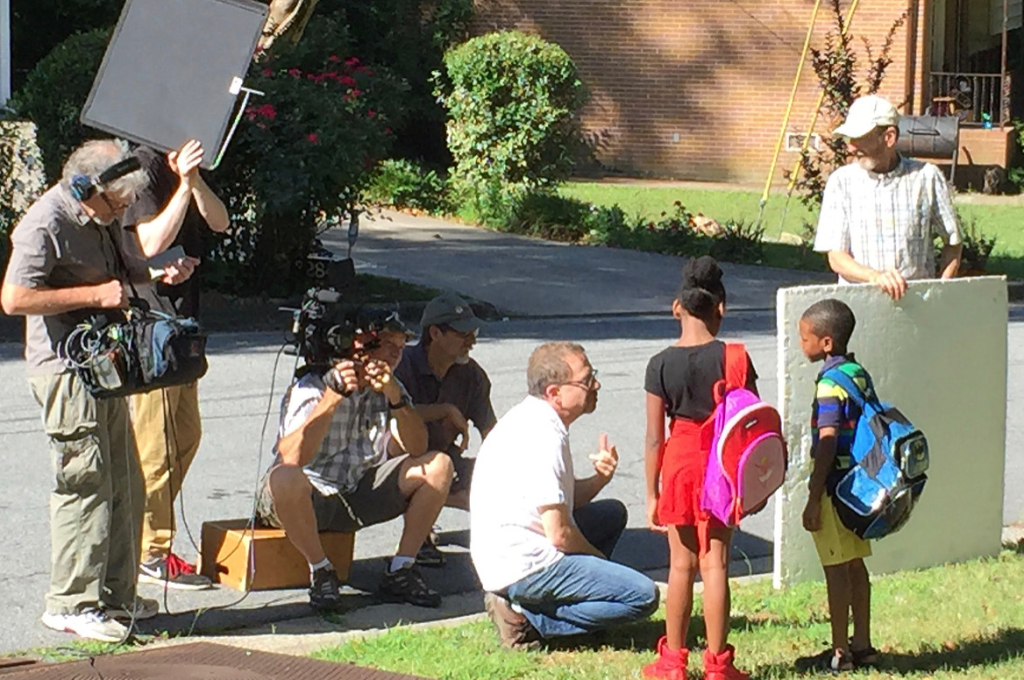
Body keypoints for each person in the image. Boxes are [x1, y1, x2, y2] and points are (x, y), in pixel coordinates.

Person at [1, 139, 197, 642]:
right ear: (88, 186)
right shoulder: (45, 223)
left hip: (106, 366)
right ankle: (70, 602)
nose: (125, 210)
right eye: (119, 202)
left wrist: (158, 270)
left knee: (124, 483)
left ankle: (116, 595)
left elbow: (124, 271)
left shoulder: (104, 215)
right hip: (65, 372)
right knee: (84, 486)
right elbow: (14, 298)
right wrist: (93, 295)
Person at [255, 312, 454, 612]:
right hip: (308, 495)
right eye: (387, 344)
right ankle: (321, 570)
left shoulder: (391, 387)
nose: (395, 355)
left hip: (356, 490)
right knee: (284, 477)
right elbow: (291, 457)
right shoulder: (314, 384)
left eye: (401, 348)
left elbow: (417, 447)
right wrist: (332, 398)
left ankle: (401, 568)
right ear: (359, 344)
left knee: (438, 465)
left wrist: (396, 399)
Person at [470, 341, 659, 649]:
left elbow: (566, 501)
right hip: (522, 565)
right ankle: (529, 619)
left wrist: (600, 478)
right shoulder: (544, 436)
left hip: (506, 556)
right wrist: (599, 561)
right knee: (642, 596)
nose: (596, 385)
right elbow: (559, 534)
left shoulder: (536, 419)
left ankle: (549, 607)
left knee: (611, 514)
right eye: (586, 380)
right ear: (554, 393)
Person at [122, 139, 229, 590]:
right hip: (150, 329)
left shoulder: (183, 167)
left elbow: (219, 223)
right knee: (155, 448)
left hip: (182, 327)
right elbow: (147, 243)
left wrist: (194, 181)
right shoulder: (143, 166)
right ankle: (149, 553)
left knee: (186, 434)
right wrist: (182, 187)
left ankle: (146, 542)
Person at [642, 256, 756, 680]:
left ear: (677, 308)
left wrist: (652, 492)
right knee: (716, 564)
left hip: (680, 461)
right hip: (721, 463)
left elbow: (654, 436)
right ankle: (719, 666)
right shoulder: (736, 357)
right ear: (721, 308)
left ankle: (672, 662)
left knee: (680, 565)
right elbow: (752, 423)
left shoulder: (659, 364)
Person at [795, 299, 879, 673]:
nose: (802, 344)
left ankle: (840, 652)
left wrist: (814, 496)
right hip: (859, 487)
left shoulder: (829, 385)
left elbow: (826, 441)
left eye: (805, 338)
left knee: (835, 570)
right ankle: (863, 644)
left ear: (826, 342)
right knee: (857, 565)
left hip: (834, 490)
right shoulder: (857, 372)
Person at [814, 95, 962, 300]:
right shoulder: (841, 182)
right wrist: (875, 277)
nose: (850, 147)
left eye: (859, 138)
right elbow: (837, 258)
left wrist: (940, 292)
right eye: (850, 139)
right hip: (859, 305)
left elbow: (953, 242)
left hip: (916, 306)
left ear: (889, 137)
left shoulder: (926, 176)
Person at [393, 292, 497, 512]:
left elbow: (491, 433)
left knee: (501, 489)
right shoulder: (402, 366)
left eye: (474, 332)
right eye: (463, 333)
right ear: (435, 333)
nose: (472, 341)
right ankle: (422, 532)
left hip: (446, 458)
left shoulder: (473, 375)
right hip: (395, 461)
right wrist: (444, 410)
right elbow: (387, 417)